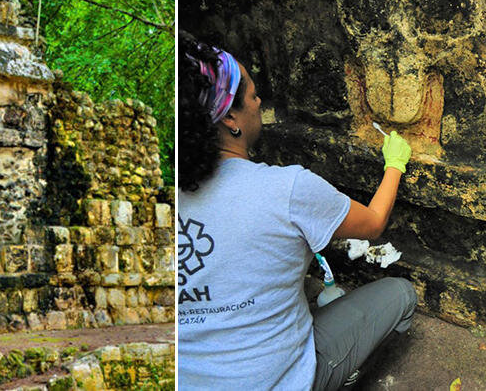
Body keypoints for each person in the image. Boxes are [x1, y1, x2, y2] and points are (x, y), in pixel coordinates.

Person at [177, 36, 418, 390]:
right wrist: (395, 164)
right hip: (277, 382)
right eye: (254, 96)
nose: (259, 103)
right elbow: (374, 223)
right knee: (401, 294)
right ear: (231, 118)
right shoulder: (287, 188)